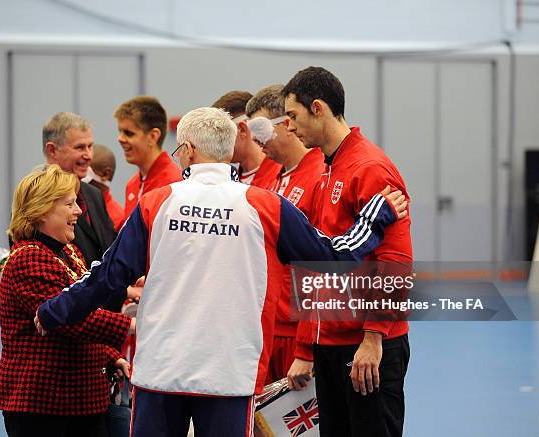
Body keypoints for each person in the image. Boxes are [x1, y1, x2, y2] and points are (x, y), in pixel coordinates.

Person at [35, 107, 408, 437]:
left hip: (161, 370)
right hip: (229, 372)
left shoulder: (158, 202)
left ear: (190, 151)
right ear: (229, 150)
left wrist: (54, 311)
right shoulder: (264, 205)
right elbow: (332, 255)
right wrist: (377, 217)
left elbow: (108, 277)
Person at [283, 66, 413, 437]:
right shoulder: (327, 167)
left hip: (366, 347)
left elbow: (395, 262)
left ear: (318, 108)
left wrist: (373, 337)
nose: (289, 127)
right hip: (330, 343)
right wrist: (309, 344)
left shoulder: (369, 167)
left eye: (293, 116)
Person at [0, 164, 135, 437]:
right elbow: (72, 321)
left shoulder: (69, 252)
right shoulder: (28, 258)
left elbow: (85, 308)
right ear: (41, 210)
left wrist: (109, 356)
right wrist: (132, 325)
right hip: (41, 405)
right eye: (69, 204)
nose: (79, 212)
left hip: (78, 401)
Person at [245, 84, 326, 384]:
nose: (255, 139)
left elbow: (324, 267)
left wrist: (305, 348)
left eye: (261, 129)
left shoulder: (319, 175)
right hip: (267, 326)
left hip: (296, 332)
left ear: (288, 124)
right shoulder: (272, 180)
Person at [43, 112, 117, 267]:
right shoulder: (35, 199)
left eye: (90, 146)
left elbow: (110, 248)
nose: (89, 155)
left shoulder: (94, 195)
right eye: (80, 147)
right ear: (52, 151)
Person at [115, 96, 182, 224]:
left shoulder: (175, 184)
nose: (120, 139)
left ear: (153, 136)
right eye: (120, 132)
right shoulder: (132, 184)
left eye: (129, 133)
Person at [212, 90, 281, 188]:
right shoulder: (230, 182)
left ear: (242, 130)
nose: (214, 145)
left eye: (220, 135)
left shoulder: (282, 173)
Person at [85, 144, 125, 229]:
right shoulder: (76, 208)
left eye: (86, 170)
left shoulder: (118, 219)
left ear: (105, 174)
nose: (80, 175)